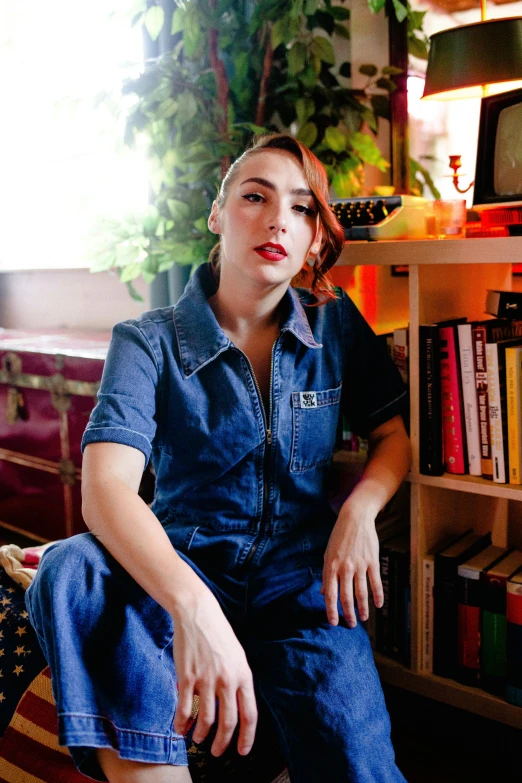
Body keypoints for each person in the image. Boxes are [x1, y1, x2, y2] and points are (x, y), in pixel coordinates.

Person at [25, 133, 411, 783]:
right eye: (254, 196)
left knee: (358, 759)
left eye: (301, 207)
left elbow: (392, 435)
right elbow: (107, 489)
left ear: (316, 237)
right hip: (182, 562)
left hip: (300, 588)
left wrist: (360, 512)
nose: (276, 220)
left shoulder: (336, 323)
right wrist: (193, 608)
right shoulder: (147, 340)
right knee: (70, 568)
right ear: (217, 213)